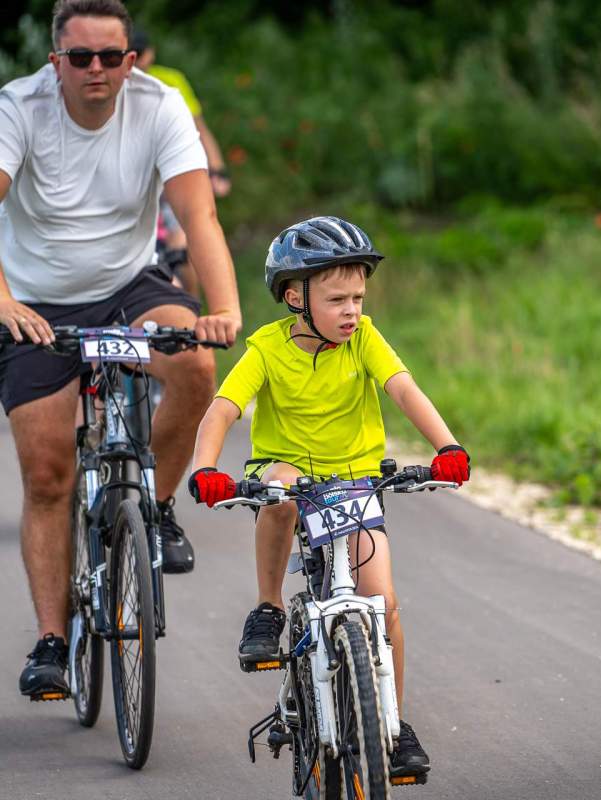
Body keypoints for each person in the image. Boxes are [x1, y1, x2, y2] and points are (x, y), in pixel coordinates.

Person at [0, 0, 241, 699]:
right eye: (81, 58)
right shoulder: (18, 107)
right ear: (57, 61)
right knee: (46, 474)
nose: (97, 70)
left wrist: (223, 309)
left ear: (131, 58)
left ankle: (158, 508)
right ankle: (52, 639)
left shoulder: (159, 105)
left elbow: (199, 215)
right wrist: (6, 300)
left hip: (128, 283)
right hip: (36, 300)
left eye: (112, 56)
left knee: (196, 361)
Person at [187, 216, 470, 778]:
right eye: (337, 298)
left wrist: (449, 446)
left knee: (383, 605)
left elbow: (404, 388)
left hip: (356, 479)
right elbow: (222, 410)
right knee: (281, 491)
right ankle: (268, 607)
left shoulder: (365, 340)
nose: (352, 311)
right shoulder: (266, 348)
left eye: (359, 298)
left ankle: (392, 722)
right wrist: (206, 469)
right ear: (295, 297)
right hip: (287, 471)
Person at [131, 28, 230, 297]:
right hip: (137, 181)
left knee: (181, 247)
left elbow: (199, 128)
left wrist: (218, 168)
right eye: (133, 56)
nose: (138, 62)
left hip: (172, 177)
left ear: (150, 53)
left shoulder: (170, 81)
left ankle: (191, 310)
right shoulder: (117, 85)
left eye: (142, 55)